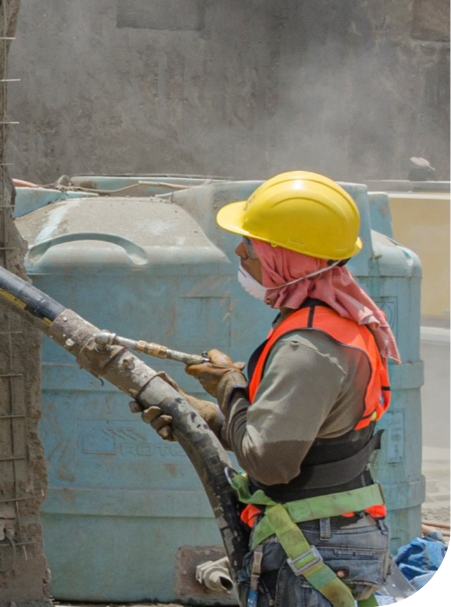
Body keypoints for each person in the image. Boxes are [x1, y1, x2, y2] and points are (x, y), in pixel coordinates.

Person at [134, 171, 397, 607]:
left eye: (252, 244)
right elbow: (303, 439)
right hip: (328, 533)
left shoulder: (309, 347)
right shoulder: (332, 326)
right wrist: (198, 414)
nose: (240, 250)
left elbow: (270, 462)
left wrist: (230, 390)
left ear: (287, 257)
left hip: (314, 541)